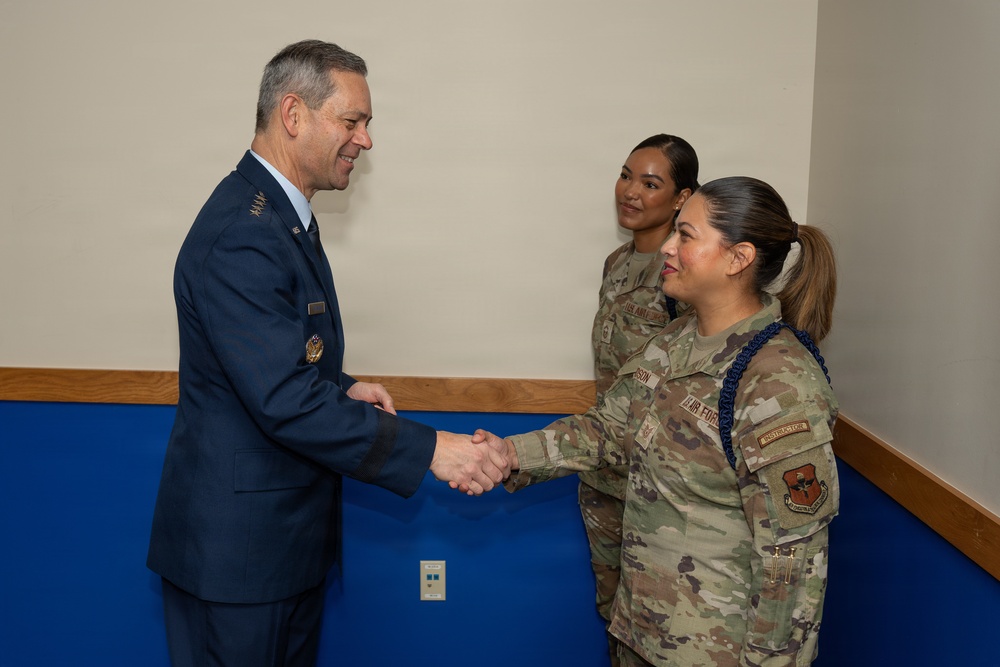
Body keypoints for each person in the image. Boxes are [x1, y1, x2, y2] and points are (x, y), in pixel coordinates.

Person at [146, 40, 507, 667]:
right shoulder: (244, 232)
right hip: (238, 563)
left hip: (279, 548)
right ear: (293, 114)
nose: (365, 140)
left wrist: (339, 388)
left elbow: (273, 359)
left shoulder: (282, 220)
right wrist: (434, 450)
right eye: (352, 121)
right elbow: (282, 399)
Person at [477, 176, 839, 666]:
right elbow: (607, 430)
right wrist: (508, 454)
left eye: (685, 235)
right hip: (641, 630)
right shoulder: (674, 340)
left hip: (716, 652)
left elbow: (791, 559)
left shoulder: (778, 379)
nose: (667, 246)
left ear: (739, 258)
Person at [583, 134, 699, 666]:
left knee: (662, 632)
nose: (630, 191)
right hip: (607, 475)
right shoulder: (616, 264)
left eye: (651, 183)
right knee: (615, 618)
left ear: (681, 198)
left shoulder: (685, 278)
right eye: (626, 175)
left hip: (661, 487)